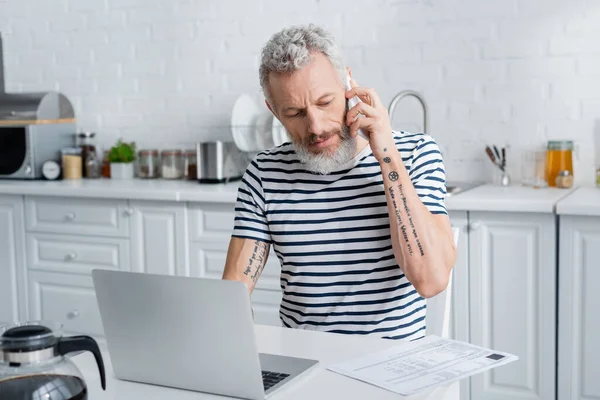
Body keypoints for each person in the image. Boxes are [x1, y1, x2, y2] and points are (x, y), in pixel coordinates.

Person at [222, 24, 456, 341]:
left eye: (324, 102)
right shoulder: (264, 174)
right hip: (305, 365)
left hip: (390, 370)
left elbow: (430, 280)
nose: (315, 127)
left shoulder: (415, 154)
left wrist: (385, 151)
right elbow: (232, 294)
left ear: (348, 84)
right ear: (274, 111)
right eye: (294, 112)